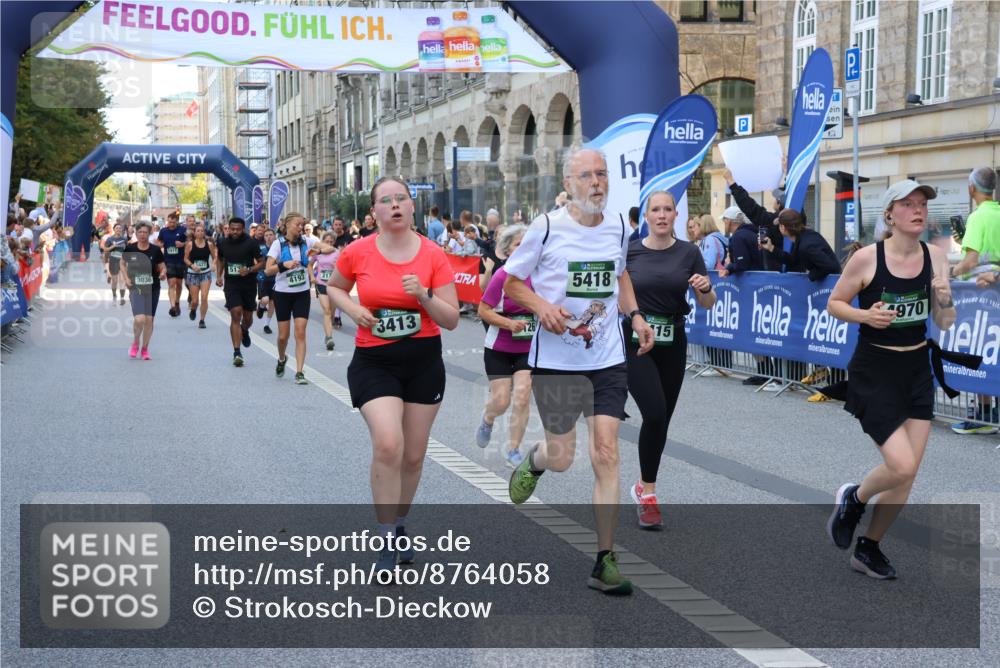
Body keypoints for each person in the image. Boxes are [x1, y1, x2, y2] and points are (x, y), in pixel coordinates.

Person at [503, 146, 654, 596]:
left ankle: (605, 560)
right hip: (557, 362)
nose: (596, 183)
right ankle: (537, 459)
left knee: (606, 453)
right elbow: (511, 282)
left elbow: (621, 275)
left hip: (606, 358)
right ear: (568, 185)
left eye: (602, 174)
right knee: (564, 457)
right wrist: (543, 306)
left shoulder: (618, 226)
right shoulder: (546, 227)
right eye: (586, 176)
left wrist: (637, 316)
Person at [826, 180, 980, 579]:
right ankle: (853, 498)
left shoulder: (936, 257)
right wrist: (866, 316)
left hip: (916, 370)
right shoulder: (867, 259)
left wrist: (944, 296)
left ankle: (869, 547)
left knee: (908, 472)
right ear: (889, 215)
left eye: (923, 204)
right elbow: (834, 303)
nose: (918, 210)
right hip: (874, 371)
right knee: (901, 463)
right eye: (907, 204)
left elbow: (945, 322)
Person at [327, 176, 460, 574]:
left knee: (414, 456)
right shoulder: (357, 252)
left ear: (413, 206)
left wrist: (423, 294)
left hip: (423, 361)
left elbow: (451, 319)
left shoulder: (434, 255)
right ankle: (385, 538)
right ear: (374, 212)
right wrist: (351, 310)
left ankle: (400, 523)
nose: (396, 205)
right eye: (386, 200)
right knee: (389, 444)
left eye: (402, 198)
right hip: (374, 362)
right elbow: (334, 288)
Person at [625, 191, 716, 528]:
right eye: (655, 210)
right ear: (646, 216)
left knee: (661, 419)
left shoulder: (689, 252)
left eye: (667, 209)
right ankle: (648, 494)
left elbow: (708, 303)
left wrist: (705, 288)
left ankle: (644, 486)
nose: (661, 215)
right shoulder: (630, 251)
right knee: (654, 410)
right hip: (635, 340)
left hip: (673, 340)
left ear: (676, 215)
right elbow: (617, 296)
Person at [476, 224, 533, 468]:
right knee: (501, 401)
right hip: (499, 347)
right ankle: (488, 418)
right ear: (508, 250)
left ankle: (513, 449)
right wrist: (508, 324)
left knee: (522, 396)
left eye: (527, 244)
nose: (524, 249)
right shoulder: (501, 276)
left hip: (528, 348)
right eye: (519, 244)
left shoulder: (539, 274)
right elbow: (483, 310)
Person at [949, 167, 999, 434]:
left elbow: (970, 262)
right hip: (995, 290)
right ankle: (992, 413)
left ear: (972, 189)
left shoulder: (979, 217)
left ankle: (983, 415)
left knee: (979, 350)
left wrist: (950, 273)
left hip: (982, 296)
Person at [265, 212, 320, 384]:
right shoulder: (278, 244)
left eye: (302, 225)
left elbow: (323, 246)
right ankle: (282, 359)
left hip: (302, 293)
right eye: (297, 225)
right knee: (283, 336)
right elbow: (268, 270)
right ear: (287, 224)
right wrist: (283, 265)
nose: (300, 228)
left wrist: (330, 249)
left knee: (300, 332)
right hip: (282, 294)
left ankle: (299, 372)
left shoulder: (307, 241)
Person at [215, 217, 265, 367]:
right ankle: (237, 352)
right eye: (232, 229)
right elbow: (220, 259)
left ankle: (244, 330)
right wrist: (219, 275)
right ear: (229, 229)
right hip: (232, 283)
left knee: (248, 318)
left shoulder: (251, 242)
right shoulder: (223, 242)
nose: (235, 232)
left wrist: (249, 269)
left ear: (243, 229)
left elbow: (262, 262)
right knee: (236, 312)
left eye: (238, 229)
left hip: (248, 283)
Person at [723, 168, 785, 271]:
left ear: (779, 204)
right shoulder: (795, 217)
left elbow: (751, 209)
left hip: (775, 277)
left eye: (776, 198)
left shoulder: (774, 221)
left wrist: (732, 183)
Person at [120, 222, 166, 360]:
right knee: (139, 319)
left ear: (149, 233)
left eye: (145, 232)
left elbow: (162, 266)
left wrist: (163, 273)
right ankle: (135, 342)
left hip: (153, 287)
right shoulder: (130, 248)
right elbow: (122, 263)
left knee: (149, 319)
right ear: (136, 233)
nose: (142, 235)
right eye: (140, 232)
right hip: (136, 287)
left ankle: (145, 349)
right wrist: (126, 279)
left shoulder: (155, 250)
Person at [760, 209, 841, 282]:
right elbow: (793, 261)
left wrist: (810, 276)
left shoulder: (806, 246)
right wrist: (771, 248)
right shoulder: (805, 236)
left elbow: (831, 267)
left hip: (831, 287)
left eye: (779, 225)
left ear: (783, 227)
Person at [184, 222, 217, 329]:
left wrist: (213, 264)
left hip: (205, 273)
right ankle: (193, 309)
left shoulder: (209, 244)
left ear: (204, 233)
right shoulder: (190, 244)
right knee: (195, 301)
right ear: (195, 233)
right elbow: (185, 259)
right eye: (198, 231)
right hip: (193, 274)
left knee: (204, 297)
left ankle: (202, 320)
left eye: (202, 231)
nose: (200, 232)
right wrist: (192, 265)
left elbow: (215, 257)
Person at [157, 212, 188, 317]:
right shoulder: (163, 231)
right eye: (170, 222)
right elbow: (159, 242)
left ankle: (177, 301)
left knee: (179, 284)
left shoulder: (183, 230)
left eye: (173, 222)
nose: (171, 224)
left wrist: (182, 244)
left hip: (180, 261)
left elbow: (191, 241)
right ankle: (173, 306)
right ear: (168, 221)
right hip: (168, 261)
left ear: (177, 222)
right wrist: (160, 245)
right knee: (171, 283)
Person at [313, 231, 340, 351]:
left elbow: (342, 268)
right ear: (322, 241)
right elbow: (309, 264)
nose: (329, 243)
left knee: (332, 313)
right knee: (327, 310)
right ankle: (329, 338)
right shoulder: (318, 252)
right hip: (321, 283)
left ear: (334, 242)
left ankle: (328, 332)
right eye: (326, 241)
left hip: (333, 285)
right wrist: (312, 276)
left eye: (331, 241)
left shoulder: (337, 253)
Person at [256, 228, 278, 334]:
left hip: (275, 278)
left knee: (272, 302)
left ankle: (266, 324)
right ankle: (261, 307)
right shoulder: (260, 248)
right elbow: (256, 261)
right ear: (264, 237)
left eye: (270, 235)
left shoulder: (279, 248)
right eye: (266, 235)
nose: (269, 237)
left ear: (274, 236)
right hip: (263, 277)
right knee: (265, 300)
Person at [101, 222, 129, 305]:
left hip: (123, 261)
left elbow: (127, 249)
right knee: (115, 280)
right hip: (113, 261)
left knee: (122, 280)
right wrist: (112, 247)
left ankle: (122, 298)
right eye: (117, 228)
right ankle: (114, 295)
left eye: (120, 228)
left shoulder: (124, 239)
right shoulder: (110, 239)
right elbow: (105, 249)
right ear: (114, 229)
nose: (118, 229)